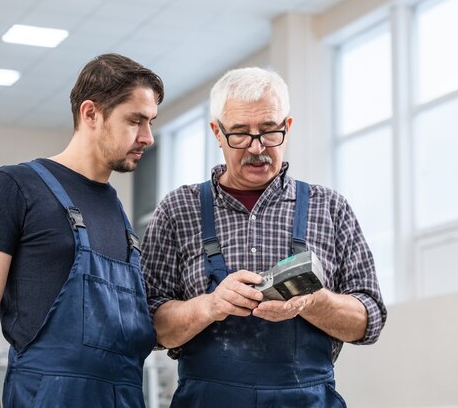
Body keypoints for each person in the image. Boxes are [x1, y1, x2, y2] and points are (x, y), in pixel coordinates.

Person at [141, 67, 386, 407]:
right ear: (217, 132)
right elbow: (149, 326)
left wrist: (313, 301)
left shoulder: (330, 208)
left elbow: (369, 319)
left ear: (287, 126)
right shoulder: (178, 210)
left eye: (270, 131)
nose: (257, 148)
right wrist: (211, 305)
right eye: (240, 134)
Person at [0, 53, 164, 408]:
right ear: (90, 114)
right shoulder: (14, 186)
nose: (148, 137)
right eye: (135, 121)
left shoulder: (118, 213)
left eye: (151, 123)